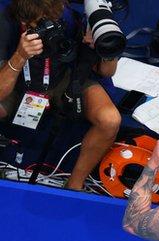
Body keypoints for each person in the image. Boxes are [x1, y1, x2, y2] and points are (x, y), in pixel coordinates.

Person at [0, 0, 121, 190]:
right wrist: (19, 56)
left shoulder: (69, 16)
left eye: (54, 19)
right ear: (24, 19)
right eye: (40, 23)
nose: (50, 25)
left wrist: (104, 47)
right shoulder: (6, 23)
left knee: (110, 120)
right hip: (19, 81)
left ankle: (74, 184)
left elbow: (106, 71)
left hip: (62, 76)